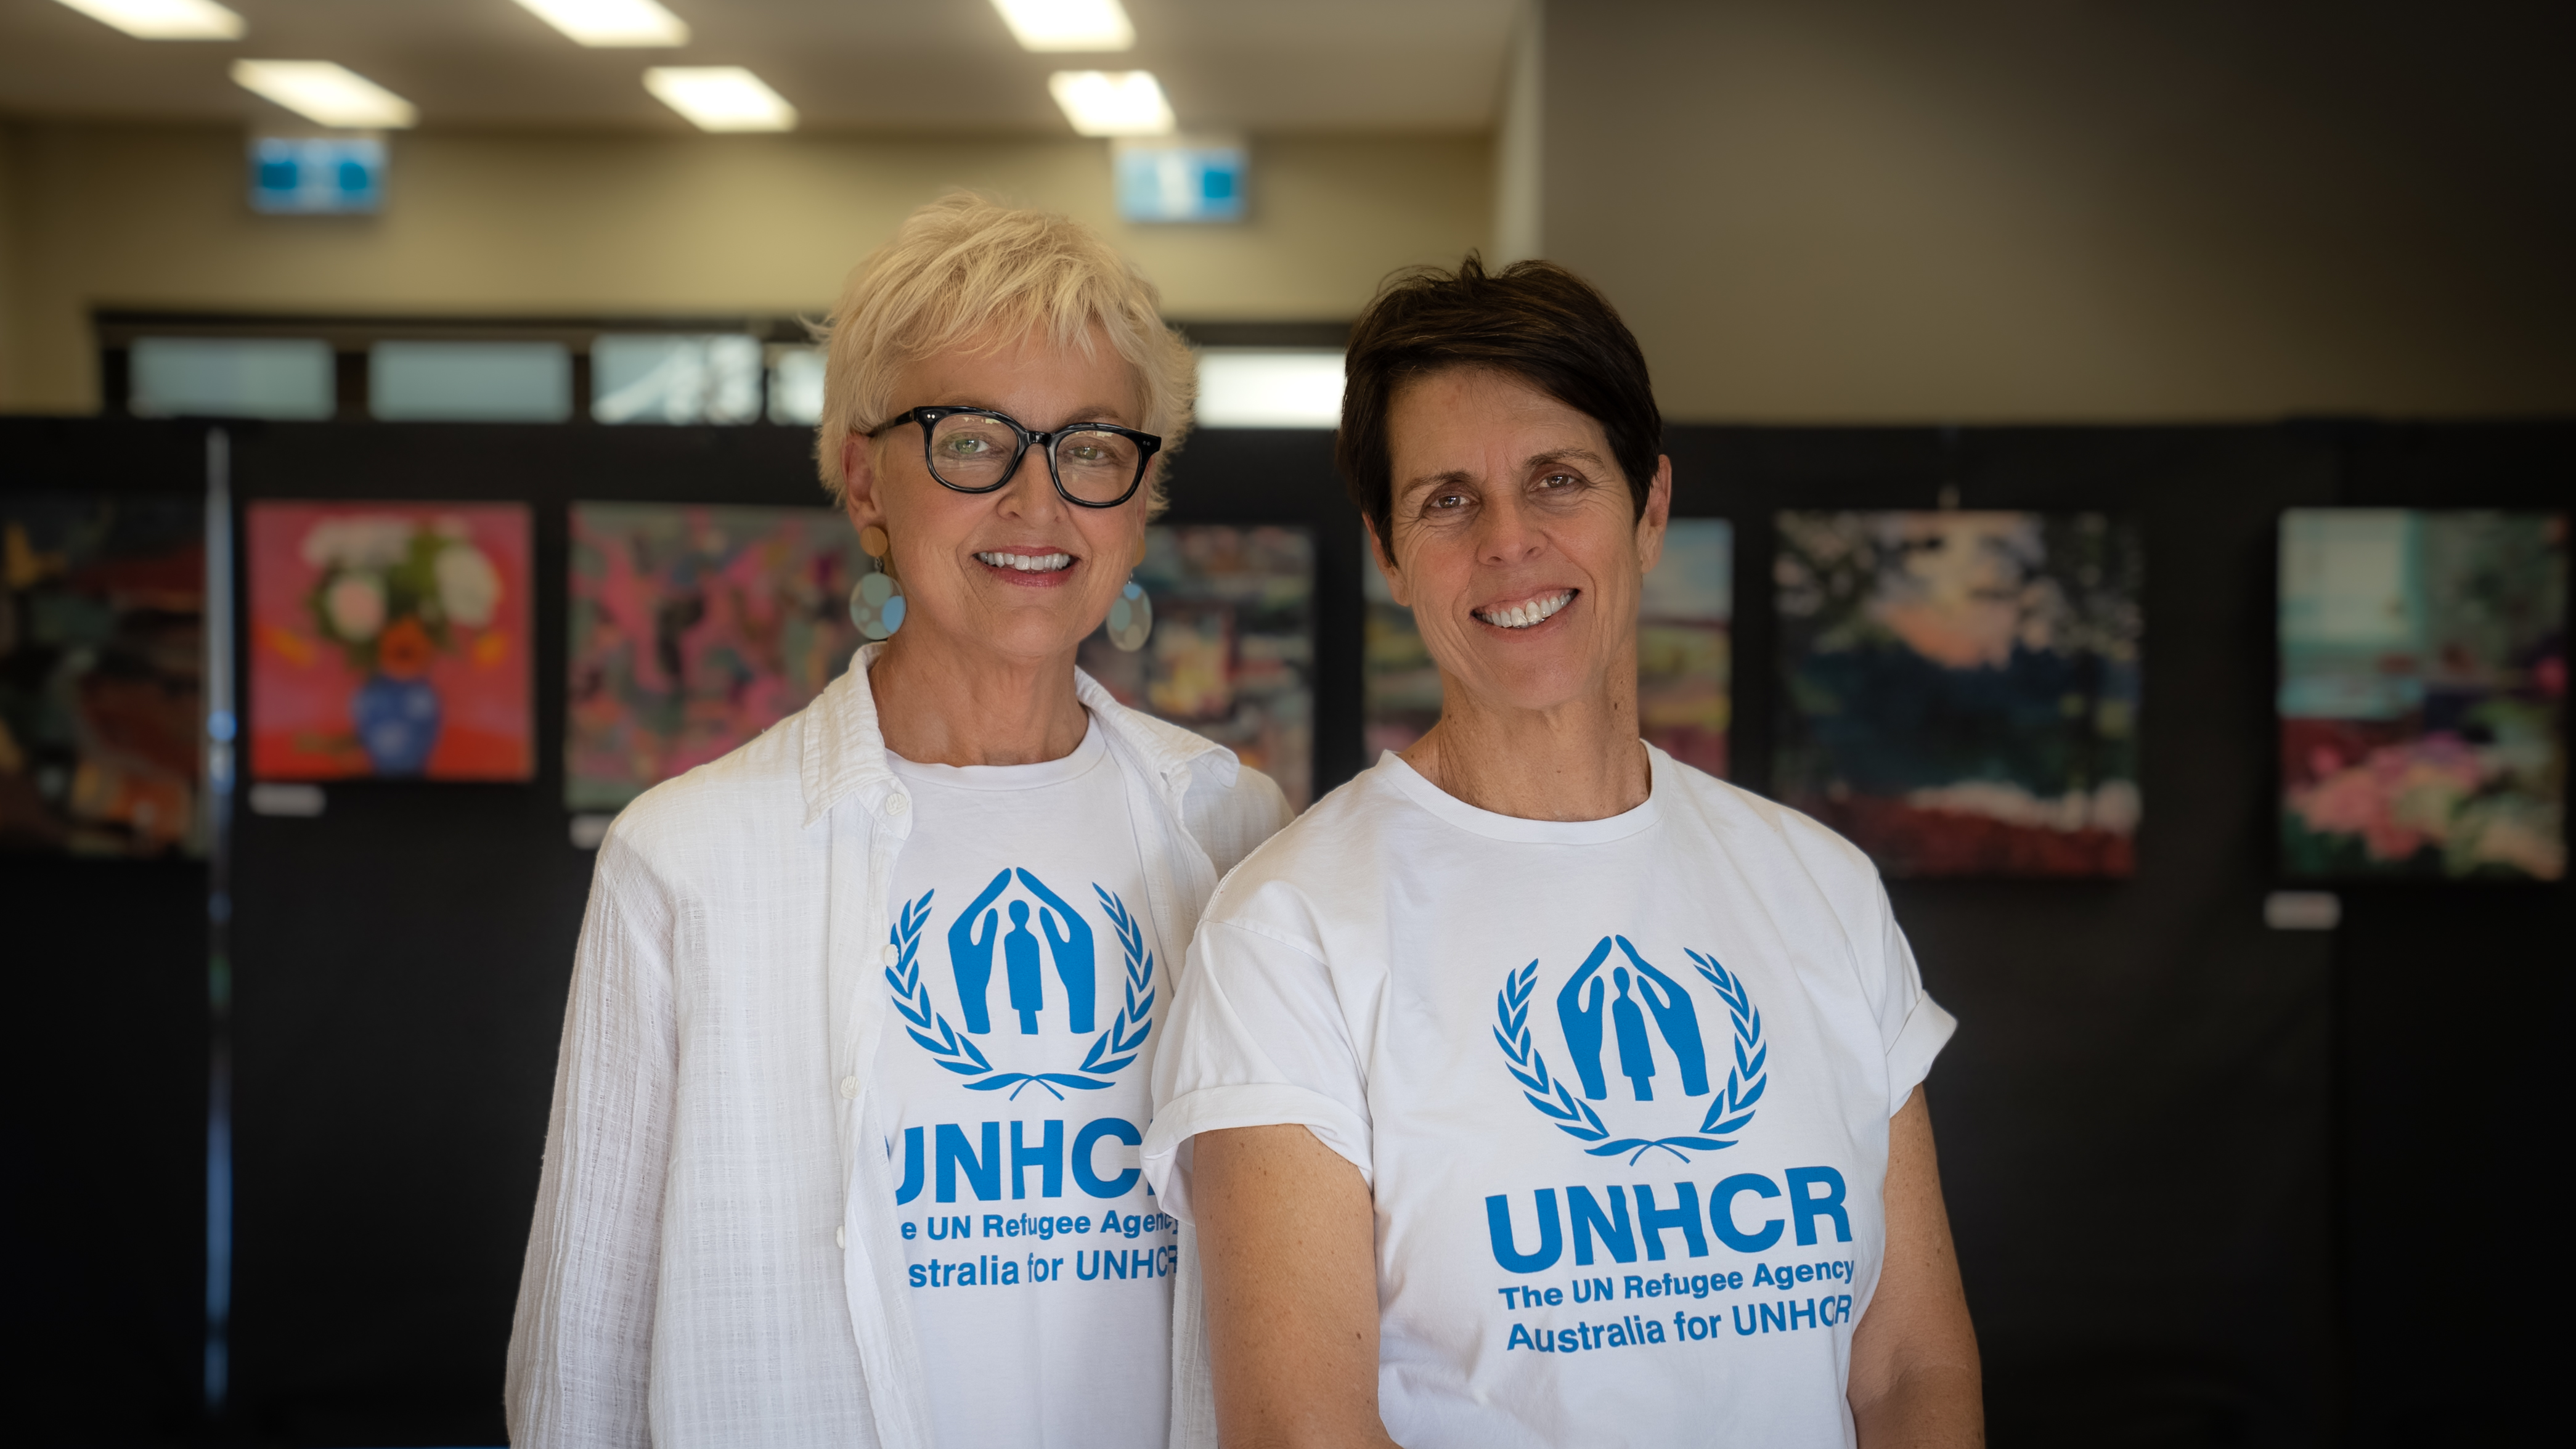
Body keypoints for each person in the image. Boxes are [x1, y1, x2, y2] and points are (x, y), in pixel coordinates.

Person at [1144, 257, 1982, 1448]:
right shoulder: (1288, 932)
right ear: (1388, 551)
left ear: (1647, 510)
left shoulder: (1821, 888)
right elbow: (1301, 1434)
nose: (1510, 541)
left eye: (1558, 480)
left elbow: (1908, 1372)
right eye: (1447, 499)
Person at [507, 194, 1292, 1448]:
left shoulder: (1236, 829)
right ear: (865, 478)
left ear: (1141, 501)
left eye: (1091, 446)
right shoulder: (690, 860)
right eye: (973, 440)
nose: (1038, 503)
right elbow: (581, 1361)